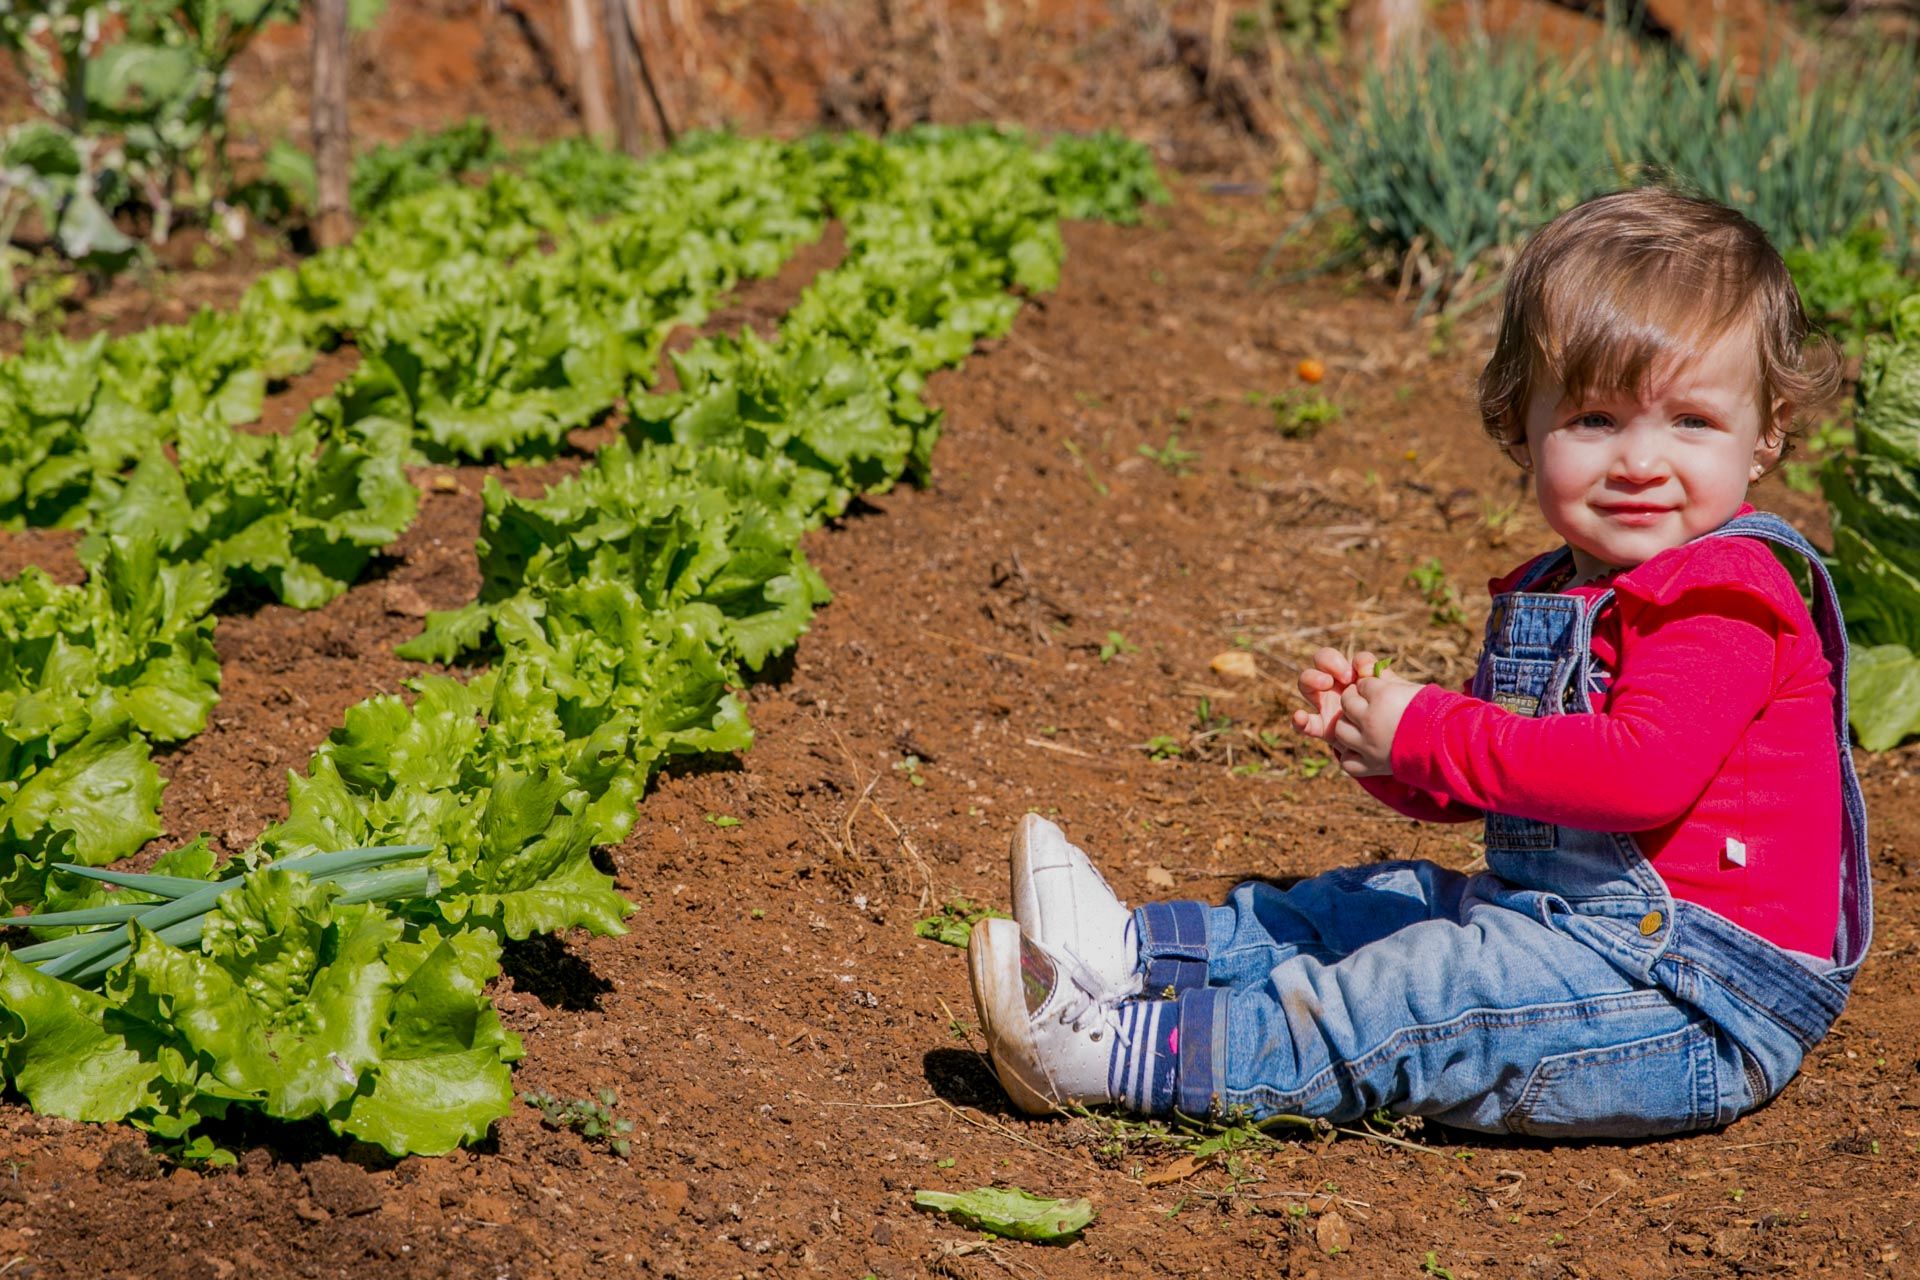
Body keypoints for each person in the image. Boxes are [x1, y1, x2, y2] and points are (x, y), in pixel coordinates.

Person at [965, 187, 1873, 1137]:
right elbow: (1509, 784)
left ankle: (1121, 1055)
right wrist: (1393, 753)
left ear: (1765, 434)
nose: (1641, 461)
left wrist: (1430, 728)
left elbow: (1639, 773)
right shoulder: (1561, 586)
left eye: (1691, 422)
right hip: (1572, 936)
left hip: (1691, 1002)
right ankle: (1134, 952)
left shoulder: (1723, 594)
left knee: (1425, 991)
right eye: (1596, 420)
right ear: (1521, 424)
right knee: (1381, 903)